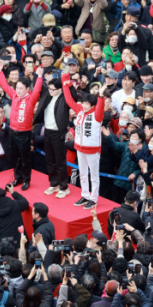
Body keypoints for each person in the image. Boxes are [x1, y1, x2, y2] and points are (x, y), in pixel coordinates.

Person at [0, 61, 43, 191]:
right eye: (17, 87)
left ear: (27, 89)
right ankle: (18, 177)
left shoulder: (31, 98)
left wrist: (39, 76)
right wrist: (0, 72)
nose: (18, 90)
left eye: (21, 88)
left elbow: (38, 89)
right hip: (12, 131)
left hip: (24, 133)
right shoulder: (14, 95)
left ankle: (26, 179)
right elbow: (5, 85)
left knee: (25, 158)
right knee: (14, 157)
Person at [61, 72, 105, 209]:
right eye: (84, 103)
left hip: (92, 150)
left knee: (94, 176)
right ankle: (85, 195)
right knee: (83, 174)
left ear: (93, 105)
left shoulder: (97, 115)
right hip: (79, 148)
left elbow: (101, 106)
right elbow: (69, 101)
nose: (84, 105)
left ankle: (94, 198)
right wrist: (65, 81)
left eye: (87, 104)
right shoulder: (80, 110)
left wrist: (101, 96)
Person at [33, 77, 77, 198]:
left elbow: (74, 96)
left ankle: (64, 186)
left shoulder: (64, 98)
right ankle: (54, 184)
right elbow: (39, 89)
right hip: (47, 131)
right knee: (50, 160)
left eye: (53, 89)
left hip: (59, 132)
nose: (50, 91)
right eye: (49, 88)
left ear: (60, 89)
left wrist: (69, 84)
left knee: (60, 160)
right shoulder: (48, 96)